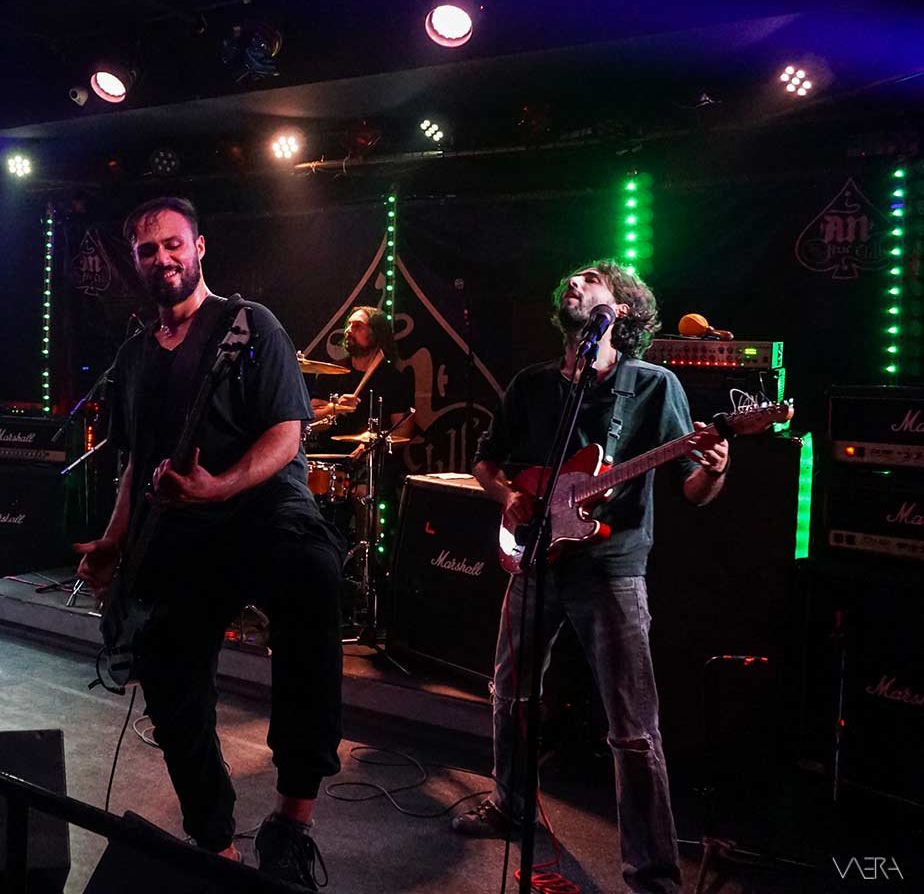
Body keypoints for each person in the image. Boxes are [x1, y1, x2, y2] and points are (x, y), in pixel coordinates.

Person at [73, 197, 345, 890]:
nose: (161, 258)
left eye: (173, 244)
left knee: (313, 576)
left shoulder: (250, 325)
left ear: (198, 248)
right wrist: (113, 542)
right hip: (179, 529)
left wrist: (221, 485)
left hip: (261, 509)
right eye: (147, 250)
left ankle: (291, 823)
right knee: (166, 669)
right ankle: (214, 840)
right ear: (136, 262)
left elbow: (287, 433)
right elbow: (135, 465)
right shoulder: (134, 356)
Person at [452, 261, 730, 894]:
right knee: (510, 693)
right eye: (572, 280)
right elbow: (486, 463)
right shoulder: (533, 384)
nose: (574, 283)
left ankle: (653, 872)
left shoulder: (653, 386)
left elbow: (693, 489)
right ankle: (510, 805)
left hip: (611, 569)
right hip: (535, 558)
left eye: (591, 279)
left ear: (620, 309)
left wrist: (715, 467)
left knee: (632, 728)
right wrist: (509, 497)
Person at [307, 305, 416, 452]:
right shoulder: (331, 373)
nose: (348, 330)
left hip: (374, 461)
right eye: (348, 325)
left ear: (377, 334)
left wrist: (373, 446)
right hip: (332, 458)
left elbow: (404, 430)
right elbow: (311, 422)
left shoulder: (394, 380)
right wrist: (335, 408)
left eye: (358, 326)